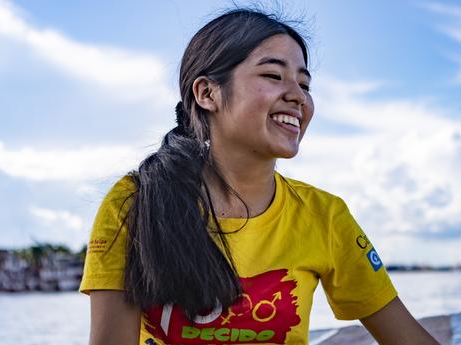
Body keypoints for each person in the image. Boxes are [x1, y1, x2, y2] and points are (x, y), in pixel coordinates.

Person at [80, 8, 439, 345]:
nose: (298, 97)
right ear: (207, 93)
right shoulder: (137, 201)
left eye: (305, 84)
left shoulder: (324, 216)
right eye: (272, 75)